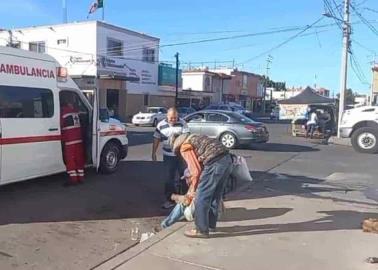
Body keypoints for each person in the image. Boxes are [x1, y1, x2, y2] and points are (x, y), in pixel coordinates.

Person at [169, 133, 233, 238]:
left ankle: (201, 230)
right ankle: (211, 225)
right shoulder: (195, 137)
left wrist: (193, 189)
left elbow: (196, 171)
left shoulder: (184, 146)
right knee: (215, 195)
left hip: (214, 163)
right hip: (227, 159)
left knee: (201, 197)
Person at [152, 107, 190, 209]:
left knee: (185, 177)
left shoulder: (182, 123)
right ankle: (170, 200)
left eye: (175, 118)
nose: (174, 120)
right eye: (172, 118)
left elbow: (187, 137)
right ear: (167, 116)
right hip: (168, 156)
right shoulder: (161, 125)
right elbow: (156, 139)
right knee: (169, 179)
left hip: (181, 156)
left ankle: (186, 200)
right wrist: (154, 152)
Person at [60, 95, 85, 186]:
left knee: (70, 160)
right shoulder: (75, 112)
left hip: (69, 140)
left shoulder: (63, 111)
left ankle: (73, 179)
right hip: (78, 139)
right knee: (79, 158)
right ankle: (81, 177)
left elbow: (60, 125)